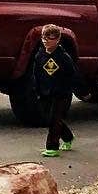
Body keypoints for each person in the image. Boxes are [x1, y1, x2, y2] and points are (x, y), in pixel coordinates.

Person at [31, 23, 78, 157]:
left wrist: (78, 89)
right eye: (43, 37)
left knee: (54, 119)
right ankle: (68, 137)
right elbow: (36, 74)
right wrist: (37, 89)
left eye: (49, 38)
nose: (45, 40)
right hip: (45, 92)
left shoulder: (63, 57)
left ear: (57, 40)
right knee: (49, 118)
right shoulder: (39, 56)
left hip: (61, 93)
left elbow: (73, 74)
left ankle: (52, 147)